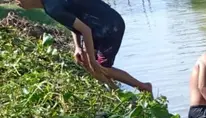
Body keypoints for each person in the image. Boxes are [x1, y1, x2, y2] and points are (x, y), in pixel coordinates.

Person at [16, 0, 151, 93]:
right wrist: (78, 47)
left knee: (101, 68)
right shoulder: (50, 5)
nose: (16, 2)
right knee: (87, 63)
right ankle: (118, 94)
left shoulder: (53, 8)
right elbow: (76, 24)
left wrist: (93, 60)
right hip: (99, 26)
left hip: (109, 27)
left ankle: (143, 87)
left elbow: (85, 30)